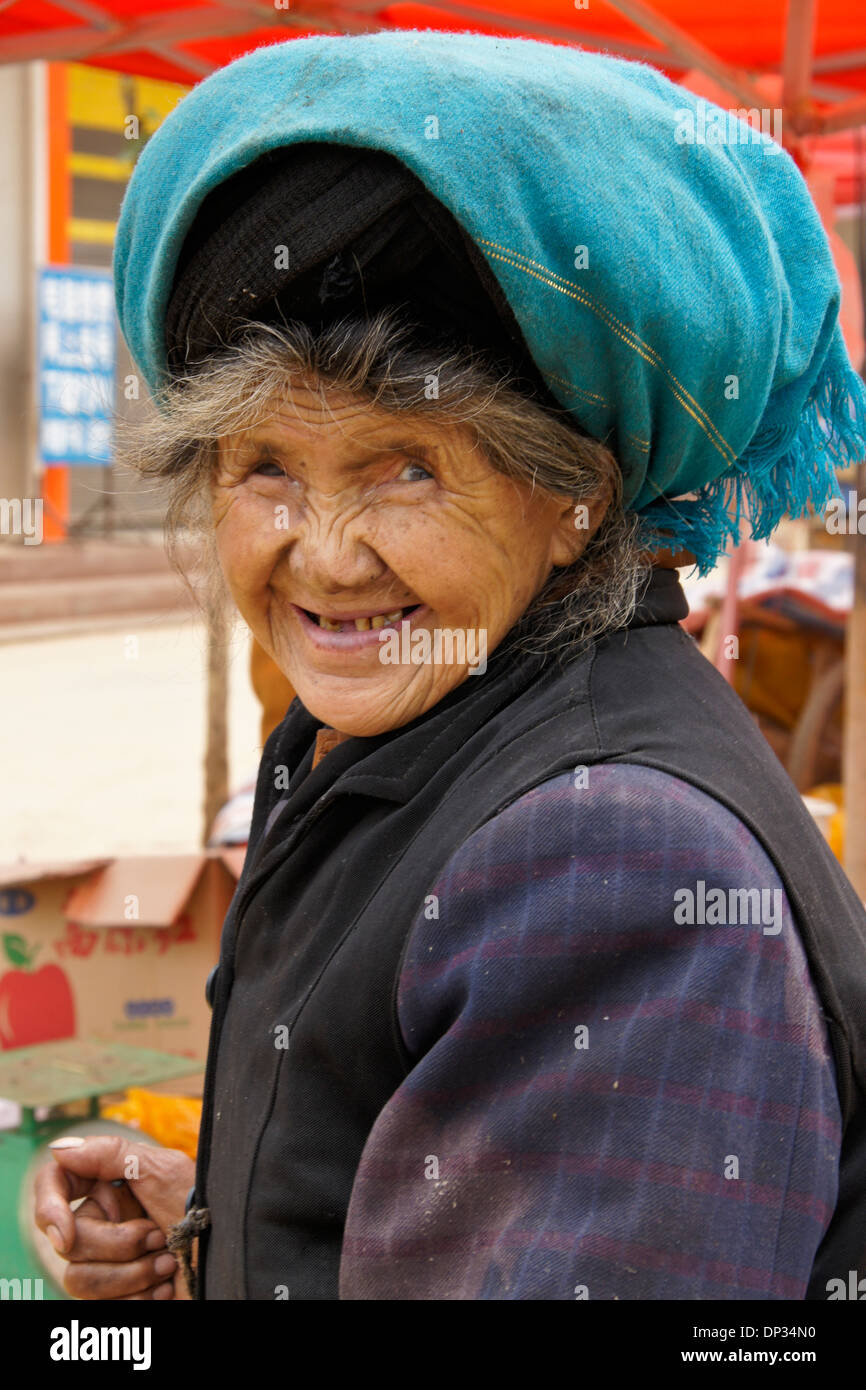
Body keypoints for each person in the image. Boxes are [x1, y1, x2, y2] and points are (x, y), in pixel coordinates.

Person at [36, 30, 866, 1301]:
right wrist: (234, 1227)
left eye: (404, 468)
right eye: (264, 467)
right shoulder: (424, 723)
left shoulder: (616, 862)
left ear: (578, 493)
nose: (320, 554)